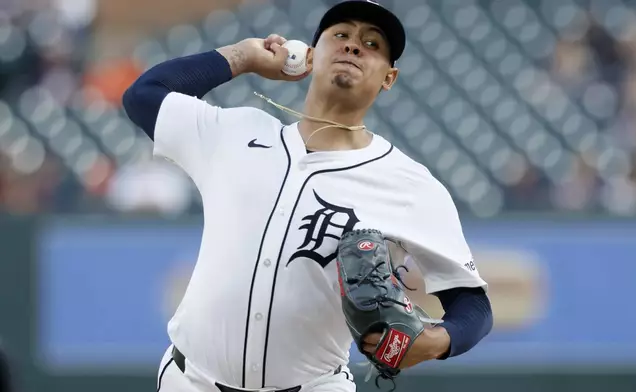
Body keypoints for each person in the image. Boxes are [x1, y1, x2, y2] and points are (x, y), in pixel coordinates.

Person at [122, 1, 493, 391]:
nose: (353, 46)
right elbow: (143, 96)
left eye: (371, 43)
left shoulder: (411, 186)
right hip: (190, 380)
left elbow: (473, 306)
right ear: (310, 55)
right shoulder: (235, 132)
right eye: (341, 35)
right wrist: (244, 57)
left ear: (389, 77)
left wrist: (437, 342)